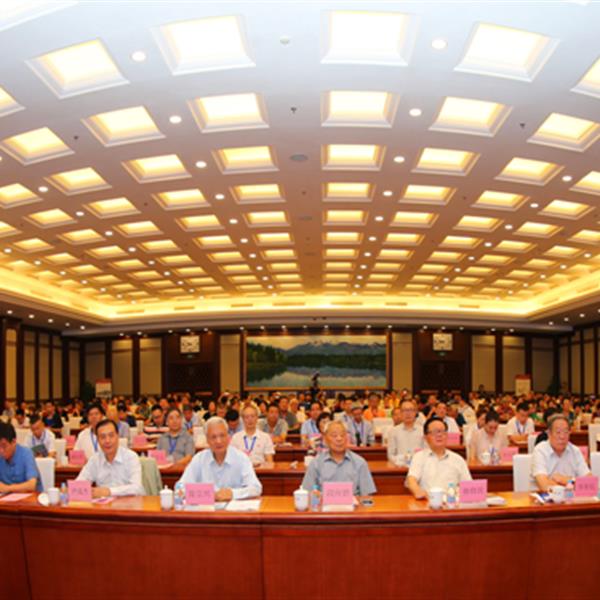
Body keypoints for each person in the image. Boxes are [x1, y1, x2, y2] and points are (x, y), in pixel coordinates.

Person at [177, 416, 262, 501]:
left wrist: (232, 493)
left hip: (233, 508)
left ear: (228, 437)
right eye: (213, 437)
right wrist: (208, 494)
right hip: (206, 508)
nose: (218, 441)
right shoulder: (199, 459)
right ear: (207, 440)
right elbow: (180, 488)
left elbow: (256, 488)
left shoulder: (241, 458)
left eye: (222, 435)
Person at [301, 421, 376, 496]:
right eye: (334, 435)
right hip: (323, 503)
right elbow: (307, 492)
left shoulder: (360, 463)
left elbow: (367, 496)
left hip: (353, 503)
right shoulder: (316, 463)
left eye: (342, 435)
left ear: (347, 438)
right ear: (325, 439)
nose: (339, 439)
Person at [406, 416, 472, 499]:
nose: (439, 435)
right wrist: (417, 491)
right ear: (426, 437)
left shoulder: (458, 459)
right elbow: (411, 479)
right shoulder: (419, 457)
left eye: (443, 431)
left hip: (452, 503)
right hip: (428, 502)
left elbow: (468, 485)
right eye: (435, 432)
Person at [76, 419, 144, 498]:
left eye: (111, 436)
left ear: (118, 436)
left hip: (130, 503)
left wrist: (109, 491)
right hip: (103, 504)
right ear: (98, 440)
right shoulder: (94, 460)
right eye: (102, 437)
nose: (107, 441)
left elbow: (137, 488)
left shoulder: (131, 457)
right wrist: (70, 489)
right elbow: (80, 483)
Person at [531, 414, 591, 492]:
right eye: (558, 432)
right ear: (549, 434)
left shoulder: (575, 451)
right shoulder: (540, 450)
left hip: (572, 498)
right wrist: (575, 484)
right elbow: (544, 485)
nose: (562, 436)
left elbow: (590, 483)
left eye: (566, 432)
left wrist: (565, 480)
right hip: (545, 498)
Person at [0, 422, 41, 493]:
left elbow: (32, 485)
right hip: (6, 497)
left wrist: (7, 488)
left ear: (13, 442)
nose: (1, 451)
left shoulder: (26, 453)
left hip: (30, 497)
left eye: (4, 446)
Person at [387, 399, 424, 464]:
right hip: (400, 467)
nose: (408, 413)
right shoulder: (393, 431)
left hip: (419, 466)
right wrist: (402, 463)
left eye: (411, 410)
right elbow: (391, 455)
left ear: (415, 412)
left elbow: (426, 452)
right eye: (405, 410)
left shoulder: (423, 431)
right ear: (401, 413)